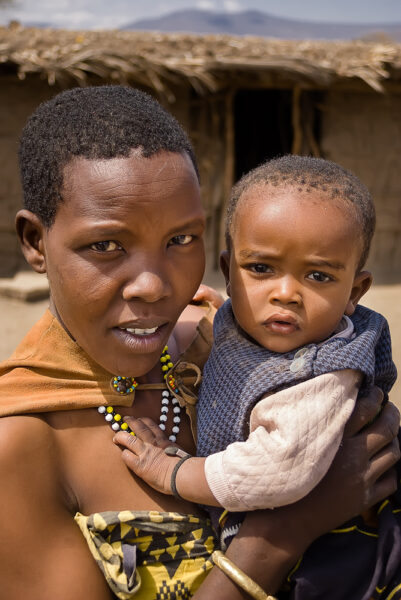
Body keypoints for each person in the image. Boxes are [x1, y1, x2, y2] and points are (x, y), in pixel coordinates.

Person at [0, 86, 399, 600]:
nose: (155, 285)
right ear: (36, 242)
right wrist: (278, 537)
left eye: (180, 240)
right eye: (105, 245)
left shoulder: (225, 341)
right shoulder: (23, 447)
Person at [115, 156, 401, 599]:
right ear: (229, 273)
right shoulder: (247, 320)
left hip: (334, 567)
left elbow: (277, 472)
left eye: (319, 276)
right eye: (261, 269)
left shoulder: (323, 376)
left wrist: (171, 471)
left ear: (355, 293)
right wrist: (220, 314)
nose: (284, 293)